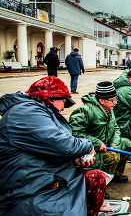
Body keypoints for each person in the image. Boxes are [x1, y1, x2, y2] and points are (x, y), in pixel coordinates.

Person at [0, 76, 106, 216]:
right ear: (51, 98)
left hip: (41, 180)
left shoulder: (35, 110)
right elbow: (63, 144)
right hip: (26, 191)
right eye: (63, 101)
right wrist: (88, 145)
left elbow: (49, 147)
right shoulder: (26, 111)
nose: (63, 107)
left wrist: (73, 160)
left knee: (96, 178)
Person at [69, 82, 131, 183]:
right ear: (101, 100)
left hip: (108, 143)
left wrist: (114, 144)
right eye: (112, 100)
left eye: (115, 99)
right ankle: (102, 183)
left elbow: (116, 128)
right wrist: (96, 142)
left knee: (125, 143)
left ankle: (116, 175)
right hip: (92, 149)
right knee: (112, 156)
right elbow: (74, 133)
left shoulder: (110, 109)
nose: (115, 103)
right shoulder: (85, 110)